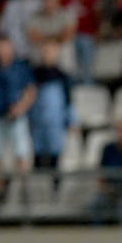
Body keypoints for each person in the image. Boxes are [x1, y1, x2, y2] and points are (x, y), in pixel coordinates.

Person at [0, 36, 36, 206]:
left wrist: (20, 107)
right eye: (0, 47)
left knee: (21, 153)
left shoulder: (21, 67)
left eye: (6, 46)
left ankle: (24, 189)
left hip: (17, 117)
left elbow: (30, 91)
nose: (3, 51)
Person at [29, 41, 75, 173]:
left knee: (55, 157)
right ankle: (37, 188)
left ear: (57, 53)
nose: (48, 54)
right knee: (36, 156)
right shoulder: (33, 74)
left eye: (51, 51)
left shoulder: (63, 76)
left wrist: (71, 120)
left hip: (55, 123)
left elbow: (69, 100)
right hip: (37, 122)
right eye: (45, 51)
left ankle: (55, 189)